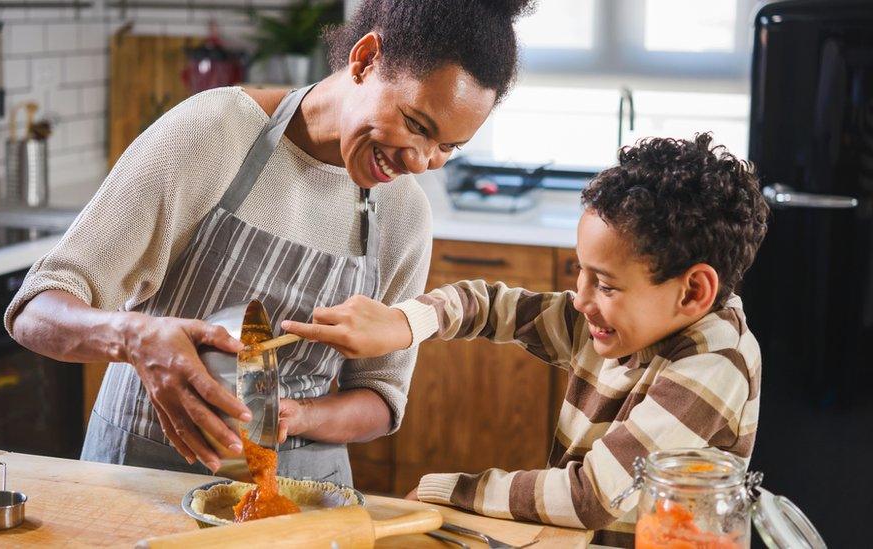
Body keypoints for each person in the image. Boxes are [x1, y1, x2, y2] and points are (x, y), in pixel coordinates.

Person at [4, 0, 537, 485]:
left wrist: (301, 417)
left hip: (306, 491)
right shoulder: (214, 134)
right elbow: (36, 309)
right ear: (365, 58)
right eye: (416, 125)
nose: (421, 161)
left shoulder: (404, 215)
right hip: (145, 477)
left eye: (448, 147)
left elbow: (381, 396)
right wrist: (135, 337)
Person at [283, 133, 769, 545]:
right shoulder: (629, 320)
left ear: (693, 291)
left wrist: (449, 490)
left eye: (606, 284)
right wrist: (404, 324)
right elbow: (491, 305)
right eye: (582, 272)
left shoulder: (715, 361)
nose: (580, 299)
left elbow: (591, 496)